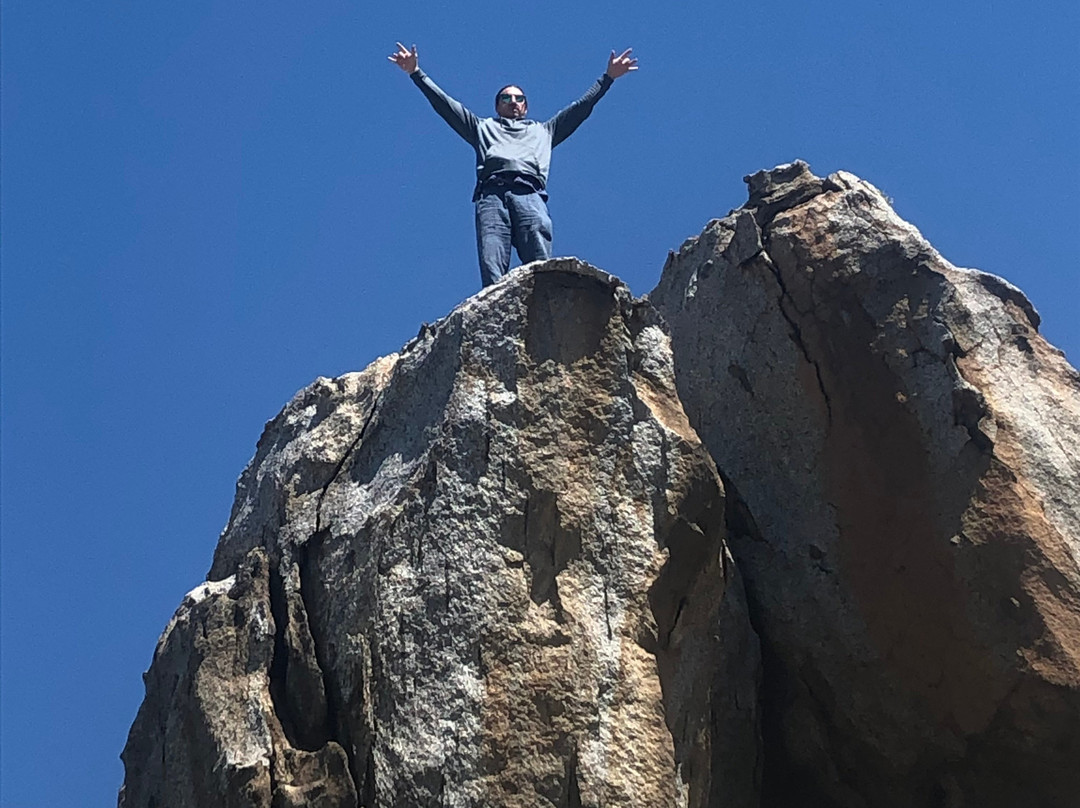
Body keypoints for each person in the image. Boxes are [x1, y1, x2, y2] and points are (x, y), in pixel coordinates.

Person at [388, 43, 638, 287]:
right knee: (492, 257)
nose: (513, 101)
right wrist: (416, 74)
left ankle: (546, 299)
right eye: (506, 98)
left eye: (519, 98)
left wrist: (608, 79)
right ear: (498, 106)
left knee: (539, 252)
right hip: (492, 194)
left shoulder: (544, 131)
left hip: (530, 192)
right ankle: (493, 310)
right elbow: (445, 105)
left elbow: (580, 108)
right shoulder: (482, 127)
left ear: (526, 106)